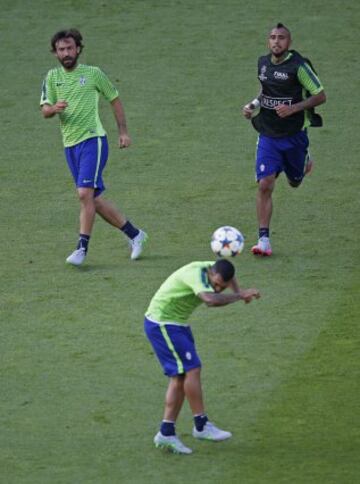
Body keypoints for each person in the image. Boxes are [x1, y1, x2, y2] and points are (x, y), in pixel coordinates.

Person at [40, 29, 147, 266]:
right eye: (61, 49)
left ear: (78, 49)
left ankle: (81, 248)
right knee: (93, 200)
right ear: (55, 53)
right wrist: (53, 109)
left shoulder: (93, 74)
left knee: (83, 194)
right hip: (70, 146)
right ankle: (135, 234)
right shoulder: (52, 77)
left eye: (69, 48)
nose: (66, 53)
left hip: (93, 140)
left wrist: (123, 132)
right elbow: (44, 109)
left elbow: (114, 98)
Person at [144, 259, 260, 454]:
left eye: (221, 287)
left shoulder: (213, 268)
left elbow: (230, 278)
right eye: (215, 284)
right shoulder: (196, 275)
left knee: (180, 377)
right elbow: (210, 300)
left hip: (177, 323)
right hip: (163, 323)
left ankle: (166, 432)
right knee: (192, 369)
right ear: (210, 273)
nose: (217, 288)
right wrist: (239, 295)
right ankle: (201, 425)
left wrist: (237, 290)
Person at [243, 23, 326, 256]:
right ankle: (264, 240)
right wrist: (253, 105)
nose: (276, 41)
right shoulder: (263, 63)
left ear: (288, 42)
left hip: (294, 135)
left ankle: (304, 160)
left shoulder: (298, 67)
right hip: (268, 134)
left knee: (294, 182)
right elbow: (265, 91)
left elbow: (321, 95)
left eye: (281, 38)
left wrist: (294, 108)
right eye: (272, 37)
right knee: (265, 184)